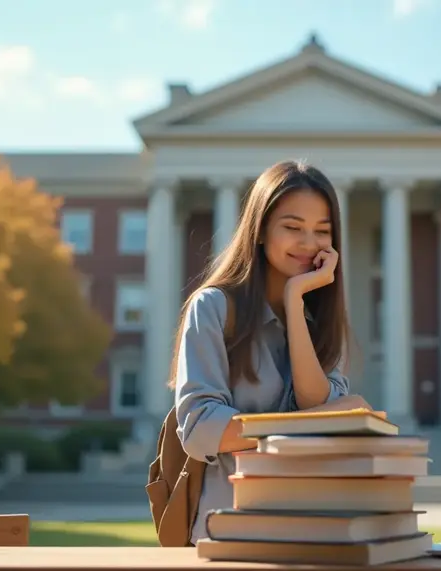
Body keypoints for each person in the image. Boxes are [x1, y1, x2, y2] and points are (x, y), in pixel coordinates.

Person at [171, 160, 370, 545]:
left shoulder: (322, 322)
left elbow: (316, 401)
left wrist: (295, 301)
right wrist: (312, 422)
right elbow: (200, 430)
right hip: (231, 534)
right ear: (260, 230)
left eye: (322, 231)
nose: (308, 243)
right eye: (293, 227)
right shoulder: (213, 307)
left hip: (312, 533)